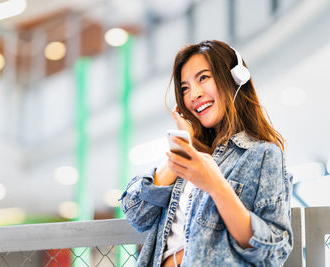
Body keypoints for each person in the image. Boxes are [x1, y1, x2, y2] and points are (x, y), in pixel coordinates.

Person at [119, 40, 293, 266]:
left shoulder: (262, 155)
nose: (194, 95)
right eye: (185, 88)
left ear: (235, 78)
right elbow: (136, 215)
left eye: (203, 78)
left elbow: (273, 253)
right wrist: (181, 150)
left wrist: (216, 186)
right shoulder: (190, 157)